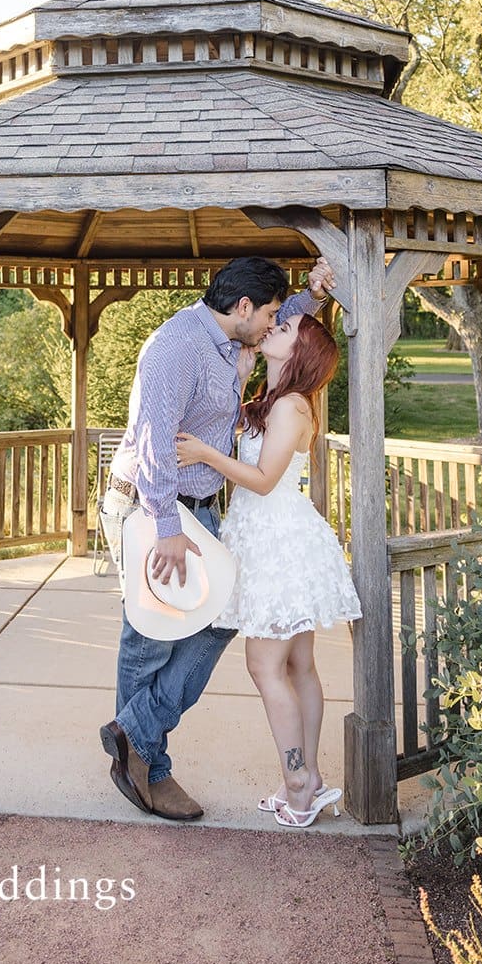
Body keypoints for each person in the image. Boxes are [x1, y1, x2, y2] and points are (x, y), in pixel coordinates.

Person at [98, 254, 334, 822]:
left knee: (218, 622)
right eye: (271, 314)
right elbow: (155, 443)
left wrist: (314, 295)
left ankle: (134, 734)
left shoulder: (234, 335)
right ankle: (149, 768)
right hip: (153, 505)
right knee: (151, 638)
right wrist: (166, 528)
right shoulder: (176, 347)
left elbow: (291, 330)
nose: (276, 323)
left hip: (198, 506)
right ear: (244, 307)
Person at [175, 310, 361, 828]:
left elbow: (261, 480)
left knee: (264, 667)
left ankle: (298, 782)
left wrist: (204, 454)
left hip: (278, 544)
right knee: (298, 667)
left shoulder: (292, 407)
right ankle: (308, 777)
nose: (275, 326)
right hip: (269, 539)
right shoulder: (278, 400)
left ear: (300, 349)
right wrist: (241, 377)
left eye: (286, 327)